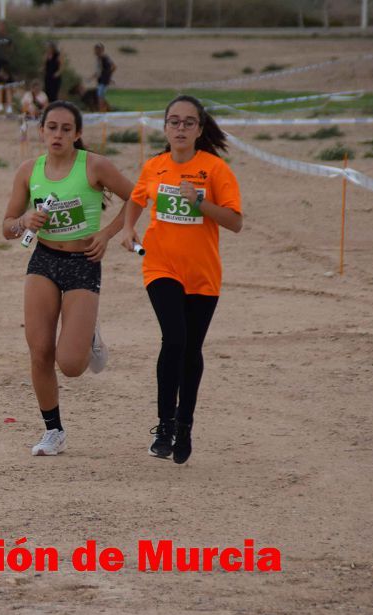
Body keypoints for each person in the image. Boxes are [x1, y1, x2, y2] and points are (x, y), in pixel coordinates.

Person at [2, 101, 134, 456]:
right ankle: (53, 430)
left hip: (83, 262)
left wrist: (106, 234)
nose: (57, 134)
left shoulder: (94, 166)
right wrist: (24, 221)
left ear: (77, 134)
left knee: (72, 365)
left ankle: (87, 330)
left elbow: (137, 196)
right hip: (44, 260)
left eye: (65, 129)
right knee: (39, 351)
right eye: (51, 128)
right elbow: (7, 228)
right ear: (41, 131)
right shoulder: (29, 171)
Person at [119, 95, 243, 464]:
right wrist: (128, 228)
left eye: (189, 122)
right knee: (173, 338)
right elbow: (137, 198)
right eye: (174, 121)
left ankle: (186, 424)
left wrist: (200, 203)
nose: (180, 128)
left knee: (191, 350)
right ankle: (165, 424)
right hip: (160, 266)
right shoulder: (155, 166)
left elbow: (235, 222)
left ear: (200, 130)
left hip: (203, 275)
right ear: (165, 128)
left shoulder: (215, 169)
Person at [92, 43, 116, 113]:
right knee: (101, 96)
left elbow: (113, 67)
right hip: (101, 80)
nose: (96, 51)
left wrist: (108, 77)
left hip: (104, 80)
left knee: (100, 96)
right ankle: (107, 110)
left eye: (98, 49)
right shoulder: (100, 58)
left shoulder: (104, 58)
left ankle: (101, 111)